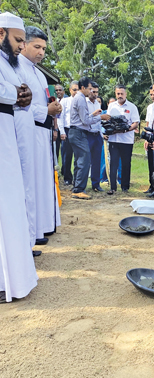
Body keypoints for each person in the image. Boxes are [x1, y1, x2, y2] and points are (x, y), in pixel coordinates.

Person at [0, 12, 38, 303]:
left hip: (9, 134)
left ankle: (13, 278)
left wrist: (18, 94)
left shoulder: (9, 62)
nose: (20, 47)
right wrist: (16, 95)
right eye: (17, 40)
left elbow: (18, 90)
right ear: (0, 33)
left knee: (11, 201)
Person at [20, 26, 62, 238]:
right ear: (24, 44)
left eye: (44, 48)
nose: (41, 52)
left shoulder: (40, 73)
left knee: (43, 180)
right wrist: (45, 110)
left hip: (44, 131)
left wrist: (54, 108)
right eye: (37, 47)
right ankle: (31, 232)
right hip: (29, 131)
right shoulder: (18, 67)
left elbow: (47, 98)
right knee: (31, 182)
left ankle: (41, 228)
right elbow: (20, 104)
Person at [69, 76, 109, 199]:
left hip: (77, 132)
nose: (91, 91)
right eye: (89, 89)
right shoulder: (81, 99)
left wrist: (94, 115)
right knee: (84, 161)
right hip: (79, 132)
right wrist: (100, 117)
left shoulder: (79, 98)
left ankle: (77, 186)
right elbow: (85, 120)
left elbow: (83, 117)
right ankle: (78, 189)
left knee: (80, 160)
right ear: (83, 87)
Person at [106, 84, 139, 194]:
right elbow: (108, 120)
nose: (120, 96)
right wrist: (109, 130)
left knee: (126, 163)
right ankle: (113, 187)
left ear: (125, 94)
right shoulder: (111, 106)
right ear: (115, 94)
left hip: (126, 140)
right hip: (114, 139)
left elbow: (136, 123)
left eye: (122, 94)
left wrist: (126, 129)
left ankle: (125, 186)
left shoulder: (132, 107)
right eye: (118, 94)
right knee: (113, 163)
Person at [59, 80, 79, 185]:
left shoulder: (83, 101)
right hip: (67, 129)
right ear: (70, 90)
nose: (76, 92)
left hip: (78, 130)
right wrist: (62, 131)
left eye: (78, 90)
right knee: (67, 155)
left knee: (78, 156)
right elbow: (60, 117)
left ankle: (77, 178)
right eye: (74, 90)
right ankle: (67, 177)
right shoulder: (65, 101)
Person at [86, 81, 104, 192]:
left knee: (97, 161)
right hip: (87, 134)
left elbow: (99, 121)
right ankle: (80, 184)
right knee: (85, 161)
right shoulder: (84, 102)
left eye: (97, 92)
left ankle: (96, 184)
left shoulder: (97, 104)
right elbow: (84, 119)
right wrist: (95, 114)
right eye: (93, 91)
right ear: (89, 90)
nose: (95, 94)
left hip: (97, 135)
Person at [143, 84, 154, 194]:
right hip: (150, 137)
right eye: (151, 94)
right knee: (150, 163)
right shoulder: (150, 107)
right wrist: (146, 139)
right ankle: (151, 185)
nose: (153, 96)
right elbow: (148, 123)